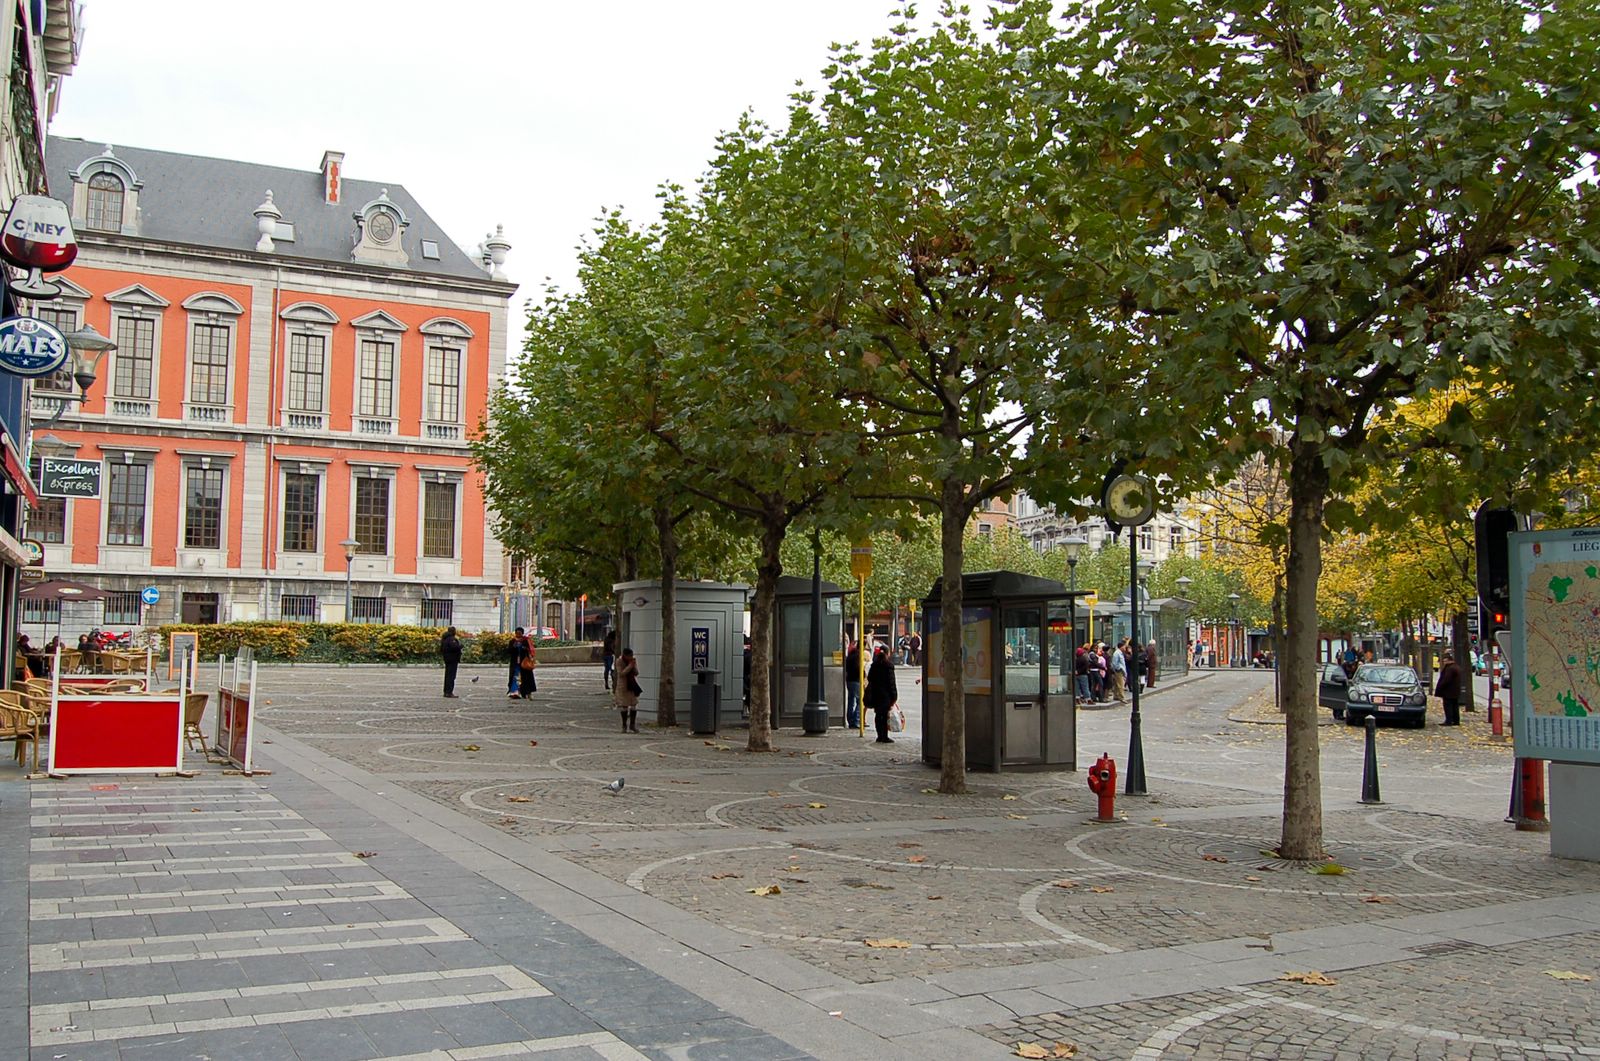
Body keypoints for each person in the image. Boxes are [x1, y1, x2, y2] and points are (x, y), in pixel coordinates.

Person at [864, 644, 898, 743]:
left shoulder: (874, 665)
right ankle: (885, 736)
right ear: (888, 653)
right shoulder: (889, 666)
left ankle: (879, 735)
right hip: (885, 695)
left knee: (878, 715)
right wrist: (894, 696)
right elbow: (891, 683)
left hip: (876, 694)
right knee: (884, 715)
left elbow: (870, 678)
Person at [614, 647, 641, 733]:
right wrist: (630, 666)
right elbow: (621, 673)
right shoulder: (619, 661)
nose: (631, 657)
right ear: (625, 655)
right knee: (624, 705)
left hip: (632, 684)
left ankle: (632, 725)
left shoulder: (632, 661)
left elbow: (636, 673)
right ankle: (624, 725)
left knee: (633, 704)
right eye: (630, 656)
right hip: (623, 685)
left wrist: (634, 666)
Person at [1435, 651, 1462, 726]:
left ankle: (1449, 721)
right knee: (1455, 706)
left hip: (1448, 691)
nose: (1443, 662)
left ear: (1448, 660)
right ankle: (1456, 720)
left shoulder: (1449, 668)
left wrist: (1441, 686)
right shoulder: (1456, 667)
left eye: (1444, 660)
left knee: (1448, 706)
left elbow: (1446, 679)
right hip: (1455, 691)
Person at [439, 626, 462, 698]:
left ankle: (446, 691)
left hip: (447, 659)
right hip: (452, 660)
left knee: (447, 676)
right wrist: (460, 646)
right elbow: (454, 647)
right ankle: (449, 692)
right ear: (453, 631)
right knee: (451, 677)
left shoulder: (444, 639)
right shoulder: (451, 639)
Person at [506, 627, 529, 698]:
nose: (518, 635)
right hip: (514, 662)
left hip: (523, 662)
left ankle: (523, 692)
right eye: (517, 633)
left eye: (520, 633)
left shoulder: (525, 641)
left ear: (522, 633)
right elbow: (509, 651)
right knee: (513, 676)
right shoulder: (512, 641)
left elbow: (529, 650)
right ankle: (513, 692)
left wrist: (524, 648)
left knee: (523, 677)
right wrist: (514, 647)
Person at [844, 639, 862, 729]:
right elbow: (858, 668)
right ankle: (855, 720)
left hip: (849, 680)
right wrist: (863, 674)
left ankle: (850, 719)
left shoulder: (850, 655)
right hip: (856, 680)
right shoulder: (858, 656)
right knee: (860, 701)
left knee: (851, 700)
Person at [1108, 637, 1128, 703]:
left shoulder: (1120, 653)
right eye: (1124, 647)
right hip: (1119, 671)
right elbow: (1115, 663)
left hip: (1121, 670)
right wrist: (1118, 669)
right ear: (1121, 647)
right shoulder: (1117, 653)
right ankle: (1121, 697)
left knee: (1117, 684)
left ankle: (1116, 695)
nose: (1125, 648)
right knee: (1121, 684)